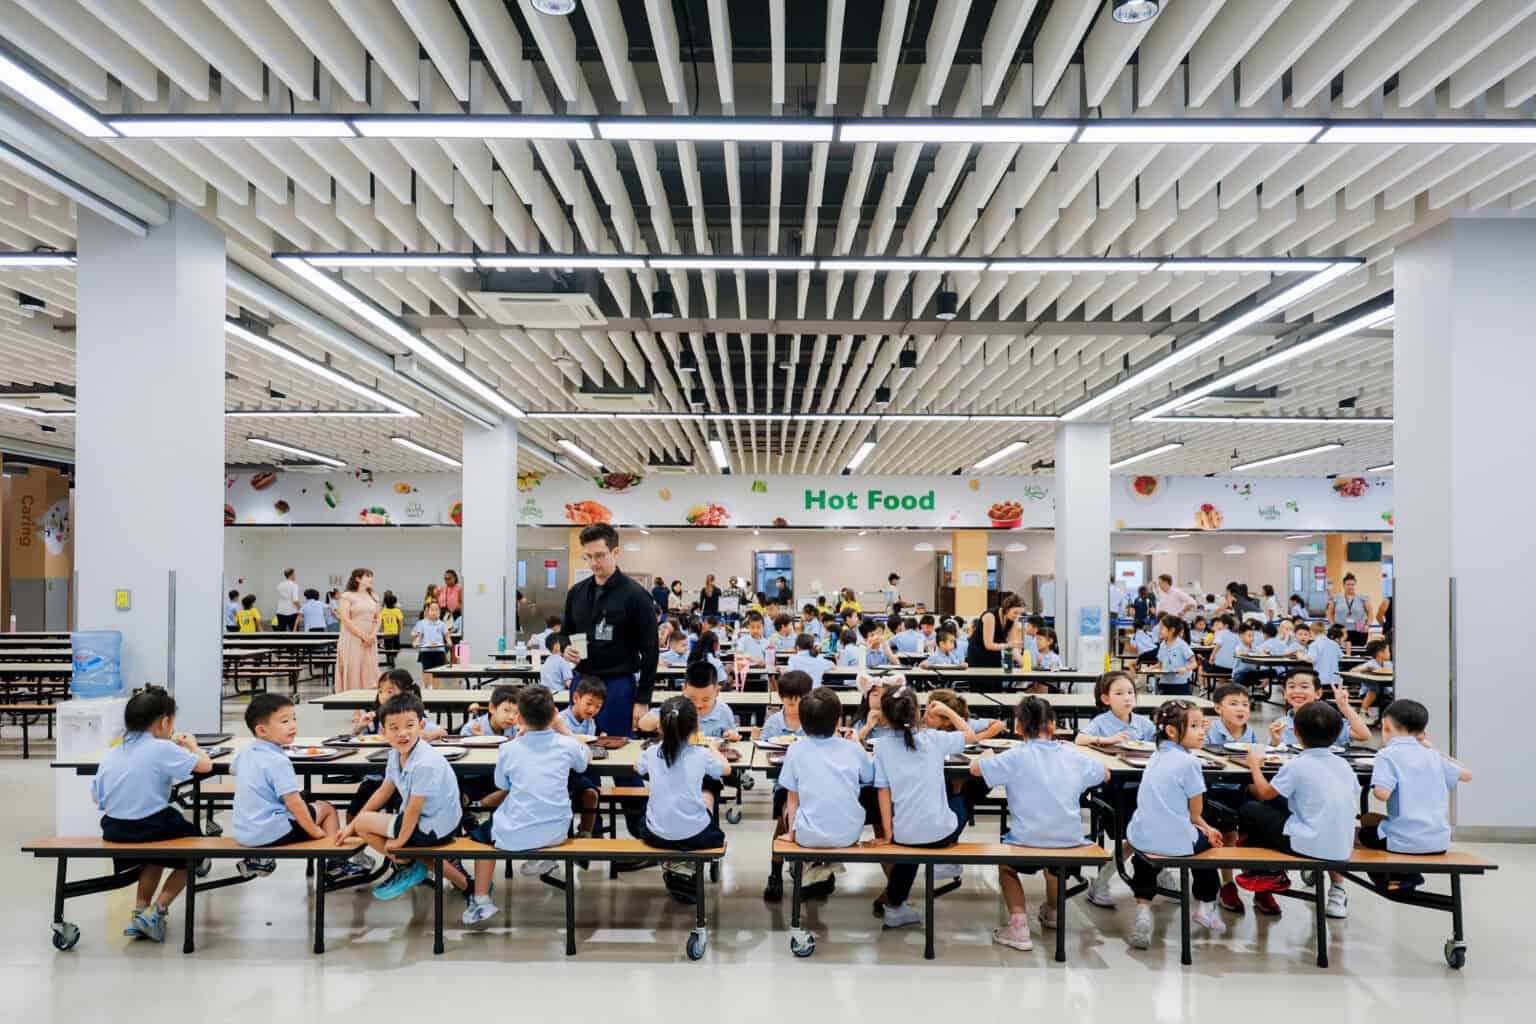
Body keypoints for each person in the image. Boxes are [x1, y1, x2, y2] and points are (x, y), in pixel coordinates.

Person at [973, 696, 1110, 950]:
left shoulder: (1014, 756)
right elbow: (1105, 773)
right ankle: (1053, 911)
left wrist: (984, 755)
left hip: (1026, 840)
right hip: (1069, 841)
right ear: (1054, 726)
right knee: (1054, 865)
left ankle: (1018, 926)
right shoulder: (1072, 755)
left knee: (1005, 866)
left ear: (1017, 727)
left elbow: (976, 770)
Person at [90, 688, 211, 943]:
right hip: (151, 825)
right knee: (198, 852)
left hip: (114, 828)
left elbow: (97, 798)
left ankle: (139, 912)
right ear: (165, 722)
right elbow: (205, 766)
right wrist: (192, 746)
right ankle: (157, 910)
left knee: (155, 855)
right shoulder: (160, 748)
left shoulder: (113, 751)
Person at [461, 687, 592, 923]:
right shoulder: (566, 745)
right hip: (557, 832)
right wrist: (563, 728)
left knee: (482, 837)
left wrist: (517, 739)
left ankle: (481, 900)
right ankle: (542, 857)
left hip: (514, 833)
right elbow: (584, 762)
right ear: (554, 713)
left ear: (519, 718)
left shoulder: (509, 749)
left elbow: (501, 783)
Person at [337, 692, 468, 900]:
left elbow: (414, 810)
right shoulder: (396, 753)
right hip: (429, 821)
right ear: (383, 731)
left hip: (435, 825)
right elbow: (383, 791)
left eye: (409, 725)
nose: (402, 733)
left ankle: (406, 865)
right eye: (394, 728)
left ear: (421, 726)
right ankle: (466, 885)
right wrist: (349, 827)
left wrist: (399, 846)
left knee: (364, 825)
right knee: (364, 824)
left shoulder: (424, 762)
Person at [1238, 701, 1361, 919]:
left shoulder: (1297, 765)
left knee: (1250, 807)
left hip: (1308, 844)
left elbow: (1265, 792)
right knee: (1278, 804)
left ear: (1295, 732)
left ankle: (1264, 871)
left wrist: (1254, 765)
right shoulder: (1343, 764)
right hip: (1342, 844)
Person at [870, 687, 976, 928]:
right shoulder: (934, 740)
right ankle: (945, 863)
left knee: (911, 841)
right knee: (964, 797)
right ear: (915, 714)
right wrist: (949, 710)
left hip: (904, 835)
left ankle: (895, 907)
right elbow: (970, 736)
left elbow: (883, 792)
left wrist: (888, 835)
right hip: (941, 835)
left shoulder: (882, 747)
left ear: (885, 717)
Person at [1125, 700, 1227, 949]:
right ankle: (1204, 904)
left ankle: (1143, 911)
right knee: (1207, 848)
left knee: (1145, 857)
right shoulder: (1190, 763)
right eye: (1194, 726)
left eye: (1203, 725)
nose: (1203, 731)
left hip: (1141, 835)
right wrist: (1209, 830)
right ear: (1172, 731)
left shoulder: (1155, 756)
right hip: (1177, 841)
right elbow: (1196, 815)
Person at [233, 693, 363, 880]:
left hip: (244, 831)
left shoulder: (246, 752)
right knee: (326, 809)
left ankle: (258, 860)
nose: (293, 725)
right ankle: (336, 862)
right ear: (262, 730)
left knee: (305, 803)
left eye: (294, 718)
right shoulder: (278, 761)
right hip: (271, 831)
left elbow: (233, 769)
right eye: (284, 721)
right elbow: (293, 802)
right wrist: (314, 830)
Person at [1358, 699, 1472, 891]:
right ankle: (1405, 874)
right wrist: (1434, 749)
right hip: (1438, 840)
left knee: (1363, 834)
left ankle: (1399, 877)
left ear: (1385, 727)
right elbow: (1467, 775)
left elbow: (1382, 794)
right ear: (1422, 732)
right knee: (1368, 819)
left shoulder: (1386, 755)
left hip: (1404, 842)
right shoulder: (1433, 756)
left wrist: (1381, 782)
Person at [561, 523, 660, 737]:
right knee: (573, 749)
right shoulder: (576, 593)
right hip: (582, 682)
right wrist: (565, 647)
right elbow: (564, 633)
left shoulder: (636, 596)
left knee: (617, 750)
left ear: (615, 552)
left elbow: (651, 651)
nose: (594, 563)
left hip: (617, 686)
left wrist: (643, 700)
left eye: (600, 555)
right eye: (588, 557)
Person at [775, 687, 875, 897]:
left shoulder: (796, 750)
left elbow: (793, 799)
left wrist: (792, 834)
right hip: (849, 834)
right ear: (838, 720)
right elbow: (869, 778)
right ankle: (821, 868)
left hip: (807, 836)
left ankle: (811, 866)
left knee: (784, 802)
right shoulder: (853, 749)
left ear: (802, 723)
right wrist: (856, 744)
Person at [636, 696, 731, 903]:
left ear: (660, 727)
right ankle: (683, 864)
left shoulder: (651, 752)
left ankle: (674, 862)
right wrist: (713, 748)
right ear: (696, 727)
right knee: (710, 789)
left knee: (649, 814)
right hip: (694, 834)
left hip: (656, 833)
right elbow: (726, 769)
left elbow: (637, 768)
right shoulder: (701, 754)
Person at [760, 670, 812, 901]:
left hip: (813, 783)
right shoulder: (774, 722)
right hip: (783, 781)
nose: (793, 707)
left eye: (798, 701)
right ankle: (775, 873)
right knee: (784, 821)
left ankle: (815, 870)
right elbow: (762, 747)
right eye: (788, 701)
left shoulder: (814, 718)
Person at [1269, 669, 1370, 749]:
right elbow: (1272, 755)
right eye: (1291, 686)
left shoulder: (1328, 720)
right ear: (1285, 694)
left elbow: (1363, 735)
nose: (1297, 691)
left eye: (1304, 687)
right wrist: (1275, 741)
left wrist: (1344, 707)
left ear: (1318, 693)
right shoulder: (1280, 725)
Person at [1076, 671, 1157, 747]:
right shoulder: (1101, 722)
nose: (1127, 698)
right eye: (1119, 693)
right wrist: (1108, 740)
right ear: (1106, 699)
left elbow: (1160, 743)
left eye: (1130, 692)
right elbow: (1079, 739)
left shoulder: (1143, 723)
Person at [334, 568, 380, 692]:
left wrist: (372, 636)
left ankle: (369, 706)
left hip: (370, 640)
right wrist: (364, 636)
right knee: (353, 670)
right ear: (358, 579)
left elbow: (377, 619)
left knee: (370, 671)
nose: (371, 579)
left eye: (371, 576)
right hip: (352, 638)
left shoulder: (374, 596)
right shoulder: (347, 596)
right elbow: (345, 619)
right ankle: (356, 711)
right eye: (367, 576)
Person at [970, 594, 1026, 669]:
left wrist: (1023, 663)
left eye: (1020, 613)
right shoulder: (990, 616)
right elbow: (988, 645)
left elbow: (1012, 646)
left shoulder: (1013, 620)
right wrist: (1009, 645)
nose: (1017, 616)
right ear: (1007, 609)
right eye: (1015, 612)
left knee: (997, 679)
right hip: (978, 653)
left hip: (995, 653)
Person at [1152, 614, 1198, 695]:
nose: (1160, 631)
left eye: (1162, 628)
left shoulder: (1182, 645)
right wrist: (1152, 667)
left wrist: (1185, 668)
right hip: (1164, 683)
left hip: (1180, 684)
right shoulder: (1162, 644)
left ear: (1172, 630)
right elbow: (1160, 663)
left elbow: (1194, 663)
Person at [1326, 572, 1373, 647]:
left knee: (1357, 651)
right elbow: (1329, 613)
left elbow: (1370, 613)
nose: (1350, 586)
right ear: (1344, 585)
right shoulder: (1336, 598)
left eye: (1352, 584)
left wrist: (1367, 625)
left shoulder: (1363, 597)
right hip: (1341, 630)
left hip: (1359, 629)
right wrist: (1333, 625)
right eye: (1348, 584)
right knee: (1341, 651)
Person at [410, 601, 451, 683]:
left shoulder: (442, 624)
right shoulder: (422, 623)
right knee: (426, 671)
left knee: (438, 672)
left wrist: (449, 642)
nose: (434, 612)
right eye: (432, 609)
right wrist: (415, 642)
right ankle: (426, 689)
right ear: (427, 611)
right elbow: (419, 636)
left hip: (439, 651)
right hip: (426, 651)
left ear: (440, 612)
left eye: (436, 609)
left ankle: (436, 690)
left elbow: (447, 636)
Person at [1356, 639, 1394, 723]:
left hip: (1386, 693)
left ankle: (1384, 721)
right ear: (1380, 653)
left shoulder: (1389, 664)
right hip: (1367, 694)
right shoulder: (1371, 664)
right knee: (1373, 691)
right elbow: (1353, 671)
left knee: (1389, 699)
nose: (1390, 653)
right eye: (1388, 651)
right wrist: (1365, 669)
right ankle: (1363, 713)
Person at [377, 591, 403, 666]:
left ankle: (389, 658)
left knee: (387, 647)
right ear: (394, 603)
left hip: (386, 632)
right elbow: (400, 622)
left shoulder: (383, 611)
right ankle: (393, 656)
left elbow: (380, 621)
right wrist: (400, 630)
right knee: (396, 647)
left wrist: (381, 629)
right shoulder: (397, 611)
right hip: (395, 632)